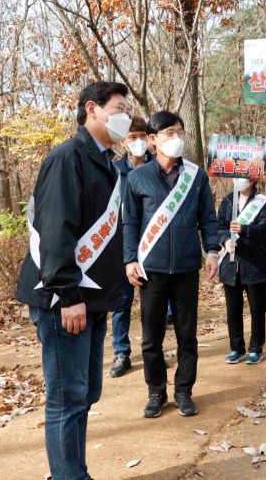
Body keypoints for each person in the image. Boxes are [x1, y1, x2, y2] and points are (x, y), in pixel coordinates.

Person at [15, 81, 131, 479]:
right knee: (67, 398)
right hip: (66, 298)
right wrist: (68, 296)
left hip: (94, 297)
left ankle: (71, 470)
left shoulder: (107, 162)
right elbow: (56, 231)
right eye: (118, 107)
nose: (125, 116)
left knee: (86, 393)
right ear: (92, 110)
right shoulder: (68, 158)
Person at [123, 110, 220, 418]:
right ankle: (156, 392)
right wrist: (129, 260)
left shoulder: (196, 175)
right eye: (168, 133)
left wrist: (213, 252)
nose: (176, 138)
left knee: (187, 334)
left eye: (180, 132)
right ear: (152, 140)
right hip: (150, 270)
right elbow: (129, 223)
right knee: (151, 336)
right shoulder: (138, 177)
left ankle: (183, 390)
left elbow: (208, 218)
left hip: (186, 267)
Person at [110, 116, 153, 378]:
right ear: (124, 142)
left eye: (142, 136)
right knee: (121, 302)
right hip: (121, 248)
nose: (138, 142)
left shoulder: (159, 170)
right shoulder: (113, 170)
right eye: (132, 137)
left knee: (151, 304)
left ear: (150, 139)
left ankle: (152, 351)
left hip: (151, 247)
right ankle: (121, 352)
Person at [217, 176, 266, 364]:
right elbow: (219, 227)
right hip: (231, 264)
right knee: (233, 309)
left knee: (257, 308)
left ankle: (256, 348)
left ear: (253, 179)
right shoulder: (227, 201)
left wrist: (243, 229)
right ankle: (236, 348)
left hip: (254, 263)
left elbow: (265, 229)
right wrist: (225, 239)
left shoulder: (262, 202)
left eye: (244, 177)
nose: (240, 180)